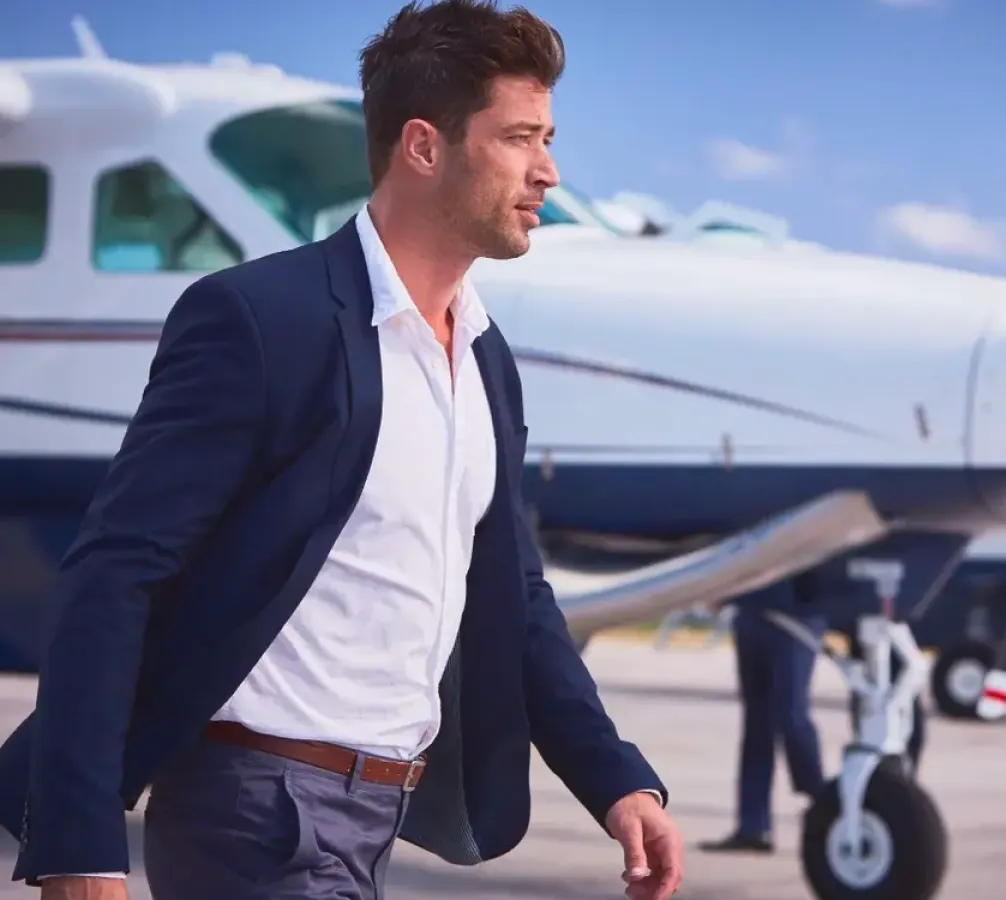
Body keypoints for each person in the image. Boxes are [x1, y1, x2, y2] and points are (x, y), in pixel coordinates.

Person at [0, 2, 684, 898]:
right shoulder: (257, 320)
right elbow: (117, 572)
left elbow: (513, 594)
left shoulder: (484, 359)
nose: (548, 171)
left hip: (377, 816)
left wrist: (616, 778)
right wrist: (81, 842)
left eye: (547, 138)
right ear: (423, 147)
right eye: (520, 138)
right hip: (255, 807)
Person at [699, 575, 826, 854]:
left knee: (792, 716)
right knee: (757, 726)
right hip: (751, 614)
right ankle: (753, 827)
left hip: (795, 615)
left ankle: (825, 804)